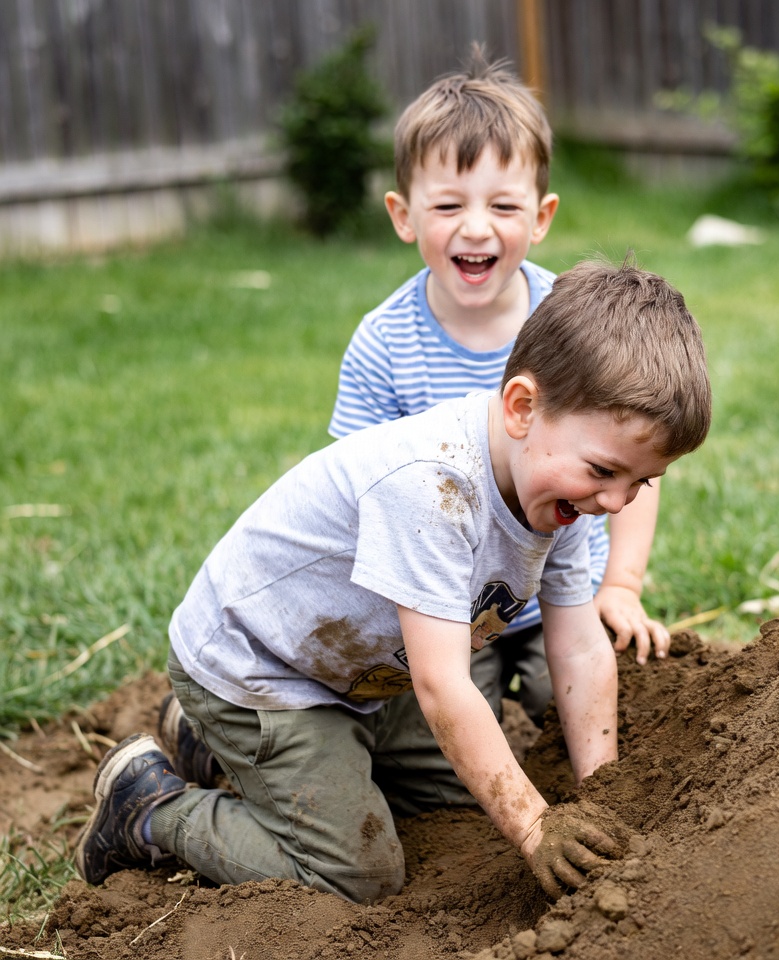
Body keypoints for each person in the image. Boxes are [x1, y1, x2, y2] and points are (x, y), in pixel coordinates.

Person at [74, 259, 712, 904]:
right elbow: (443, 686)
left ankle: (212, 749)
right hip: (264, 672)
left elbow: (577, 645)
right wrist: (537, 825)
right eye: (606, 471)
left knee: (457, 806)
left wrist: (602, 794)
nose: (617, 501)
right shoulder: (433, 487)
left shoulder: (564, 490)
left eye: (642, 482)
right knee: (359, 876)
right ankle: (149, 807)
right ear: (522, 407)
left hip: (373, 671)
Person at [330, 49, 671, 729]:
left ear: (542, 216)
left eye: (503, 205)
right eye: (449, 204)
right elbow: (361, 490)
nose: (477, 227)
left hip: (563, 593)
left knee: (610, 706)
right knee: (447, 754)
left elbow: (634, 458)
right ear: (403, 215)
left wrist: (622, 585)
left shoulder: (576, 324)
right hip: (448, 608)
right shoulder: (385, 344)